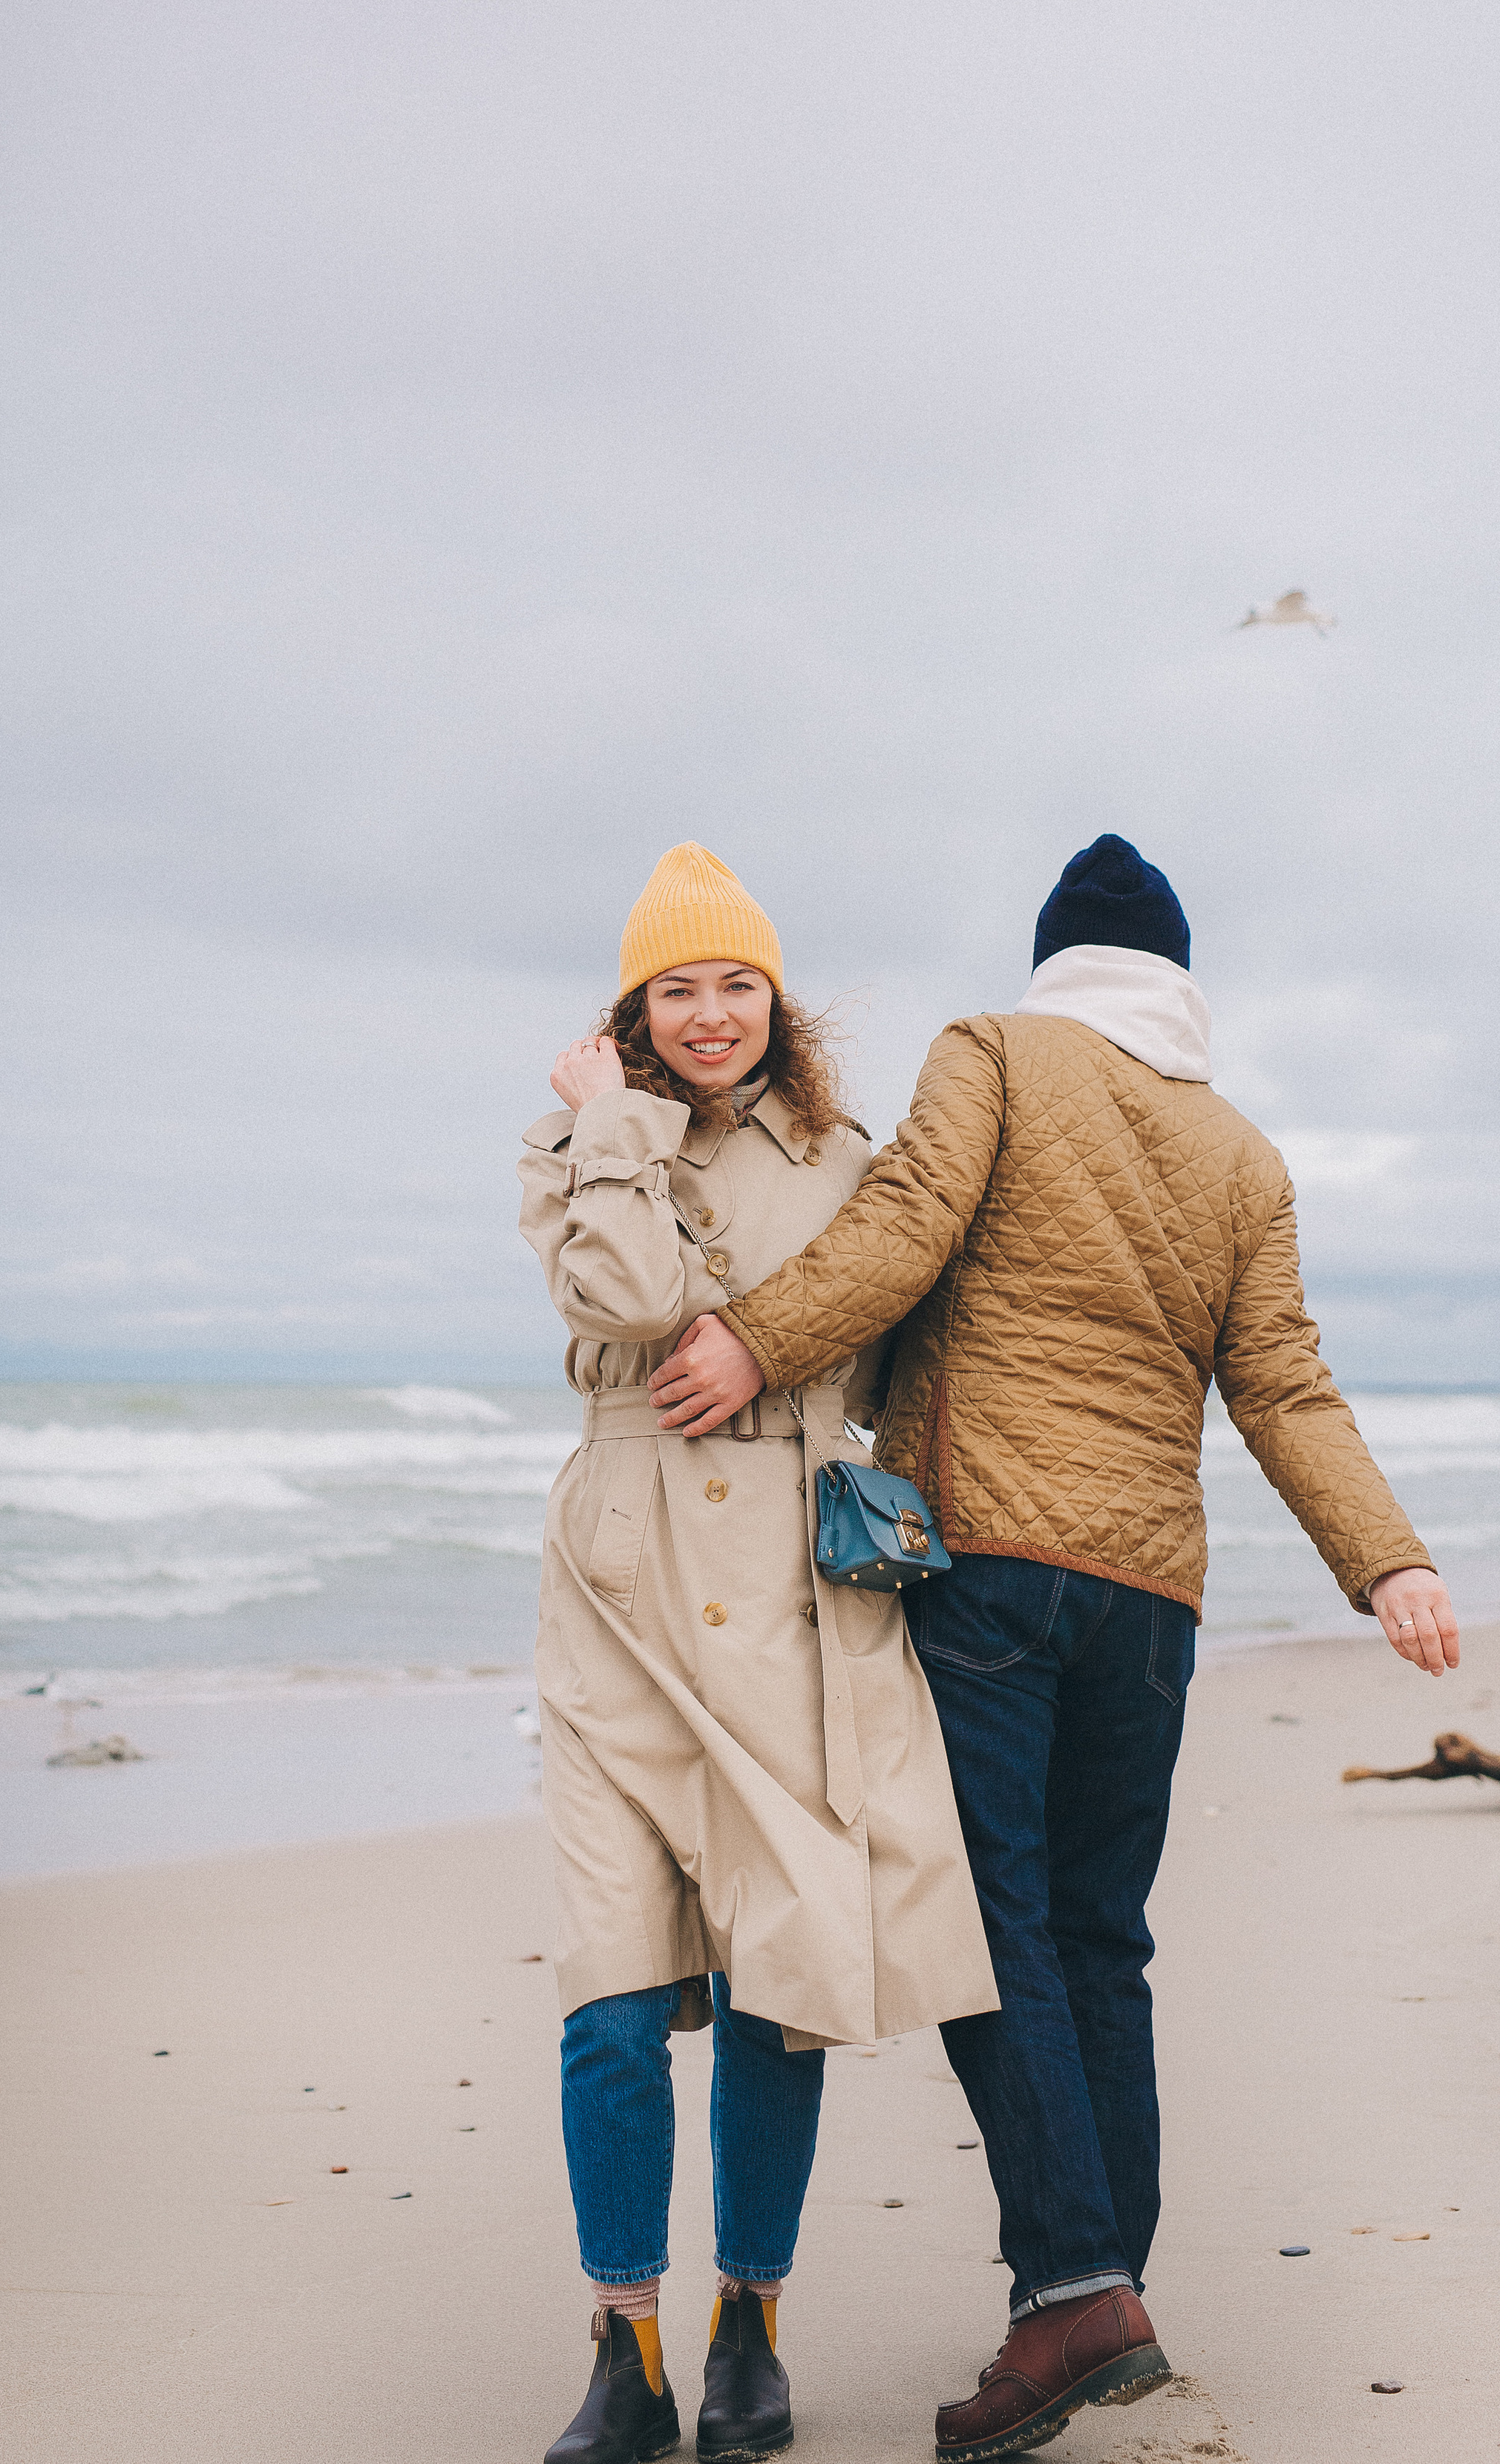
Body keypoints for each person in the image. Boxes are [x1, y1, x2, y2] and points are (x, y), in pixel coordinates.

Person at [647, 834, 1461, 2464]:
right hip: (1146, 1598)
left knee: (985, 1930)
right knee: (1099, 1941)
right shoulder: (1236, 1149)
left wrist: (752, 1340)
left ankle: (1076, 2289)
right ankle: (1095, 2306)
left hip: (995, 1568)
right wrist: (1390, 1560)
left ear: (1052, 965)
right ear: (1172, 981)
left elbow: (899, 1234)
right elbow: (1282, 1384)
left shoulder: (992, 1052)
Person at [520, 842, 997, 2464]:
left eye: (735, 983)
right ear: (632, 1008)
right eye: (676, 986)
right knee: (605, 1996)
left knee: (770, 1990)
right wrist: (614, 1123)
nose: (709, 1012)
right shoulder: (575, 1142)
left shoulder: (849, 1159)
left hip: (796, 1610)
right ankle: (622, 2347)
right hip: (619, 1604)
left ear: (773, 1000)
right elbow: (634, 1292)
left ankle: (750, 2323)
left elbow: (881, 1350)